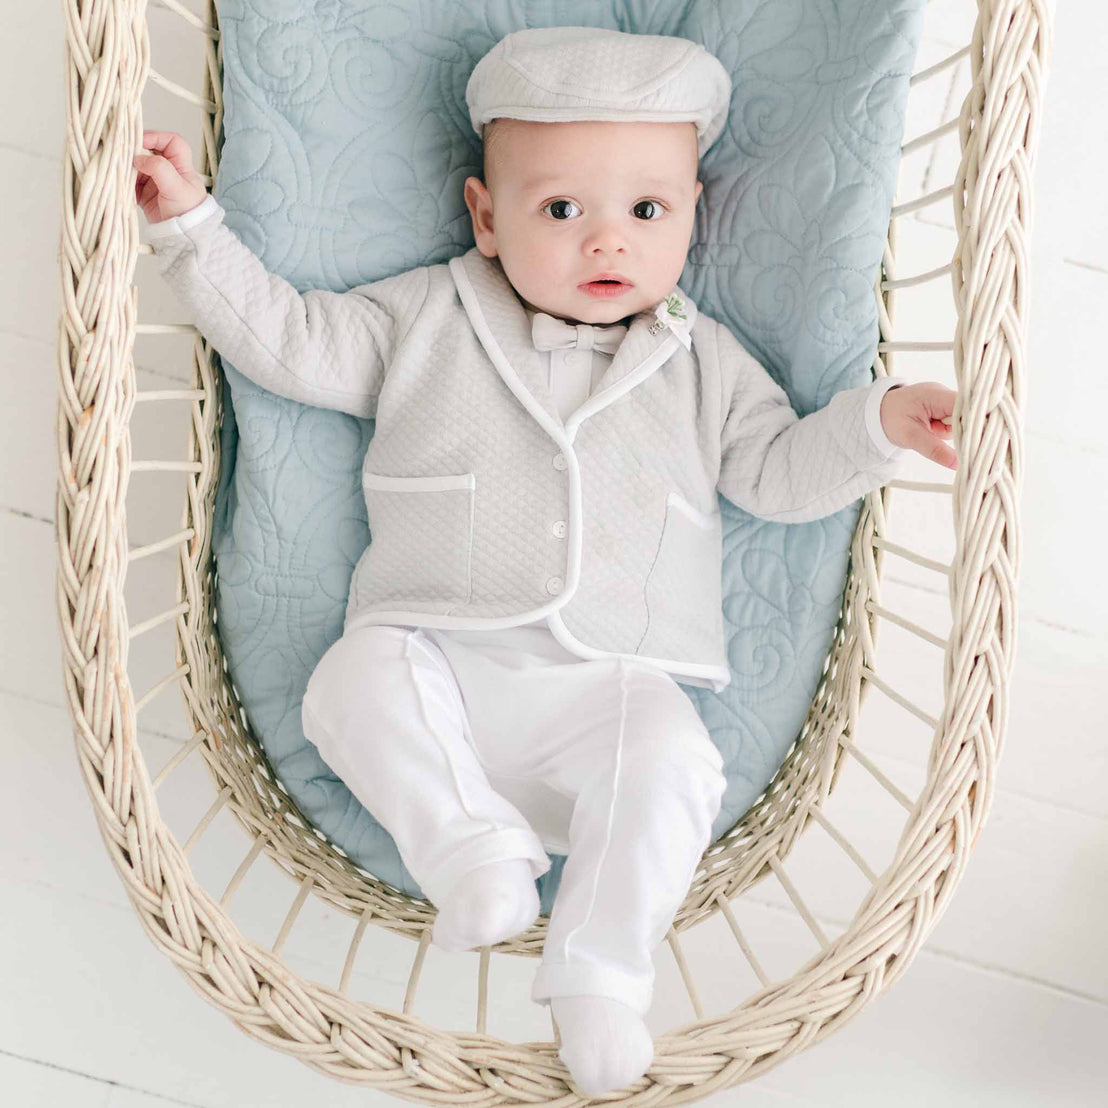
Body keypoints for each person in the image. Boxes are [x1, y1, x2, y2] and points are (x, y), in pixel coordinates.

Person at [133, 25, 957, 1096]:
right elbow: (290, 339)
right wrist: (192, 231)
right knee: (348, 686)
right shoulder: (424, 315)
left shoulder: (701, 360)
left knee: (676, 771)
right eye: (561, 210)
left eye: (646, 213)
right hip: (433, 647)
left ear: (693, 213)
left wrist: (879, 424)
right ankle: (470, 852)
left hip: (608, 682)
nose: (604, 243)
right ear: (485, 215)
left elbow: (775, 471)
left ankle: (600, 975)